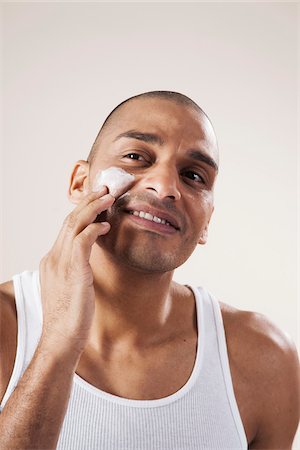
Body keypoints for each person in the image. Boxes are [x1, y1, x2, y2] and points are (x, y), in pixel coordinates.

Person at [0, 91, 299, 450]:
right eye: (136, 157)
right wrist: (57, 344)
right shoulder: (7, 329)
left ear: (207, 223)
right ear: (80, 183)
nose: (164, 187)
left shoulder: (265, 359)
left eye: (192, 175)